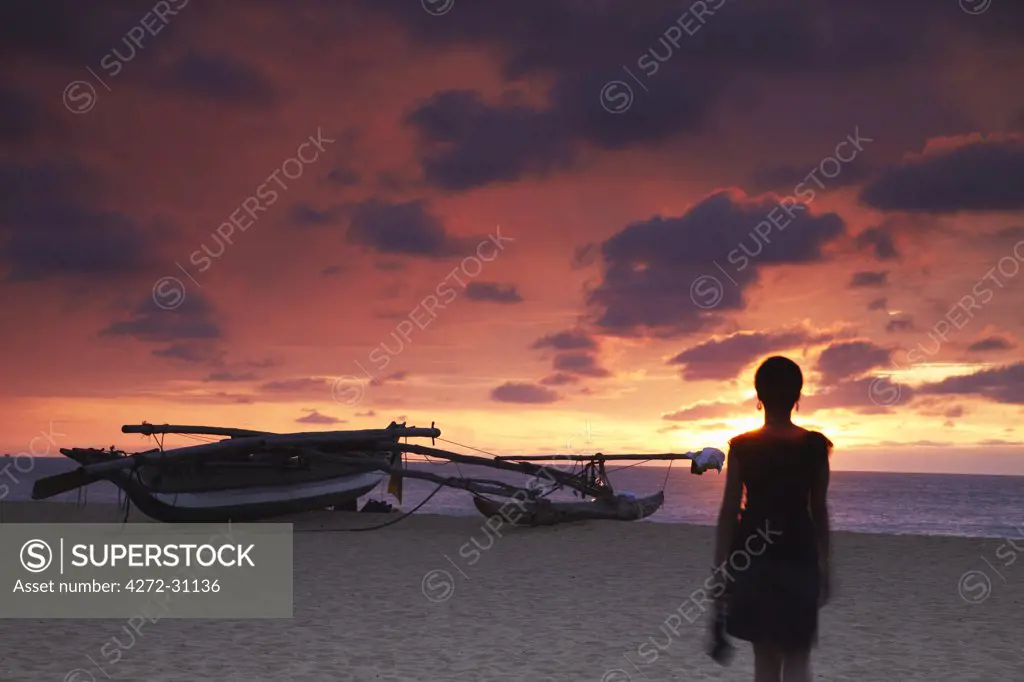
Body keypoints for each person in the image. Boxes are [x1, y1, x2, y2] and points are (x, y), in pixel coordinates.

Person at [712, 356, 833, 682]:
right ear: (797, 398)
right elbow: (819, 511)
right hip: (799, 556)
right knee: (797, 653)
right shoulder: (815, 447)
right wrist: (826, 566)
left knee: (765, 658)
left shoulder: (742, 448)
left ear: (759, 398)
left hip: (752, 558)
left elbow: (727, 512)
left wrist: (720, 568)